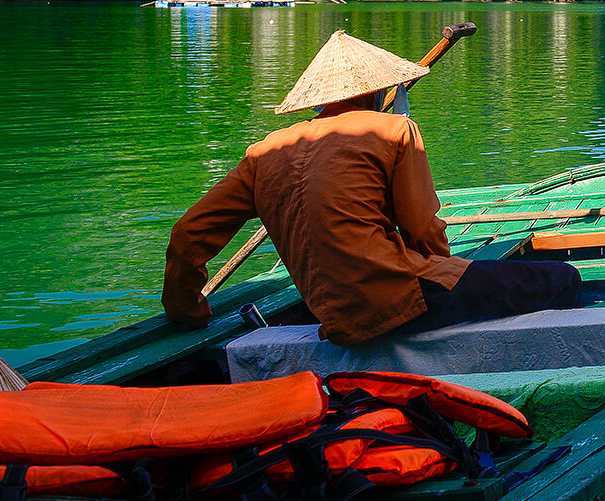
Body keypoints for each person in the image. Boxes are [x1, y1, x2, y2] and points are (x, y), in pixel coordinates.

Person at [163, 30, 582, 346]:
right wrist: (447, 280)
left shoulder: (264, 151)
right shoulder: (393, 130)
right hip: (401, 303)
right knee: (563, 279)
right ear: (380, 89)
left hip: (330, 313)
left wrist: (189, 310)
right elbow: (422, 231)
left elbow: (187, 235)